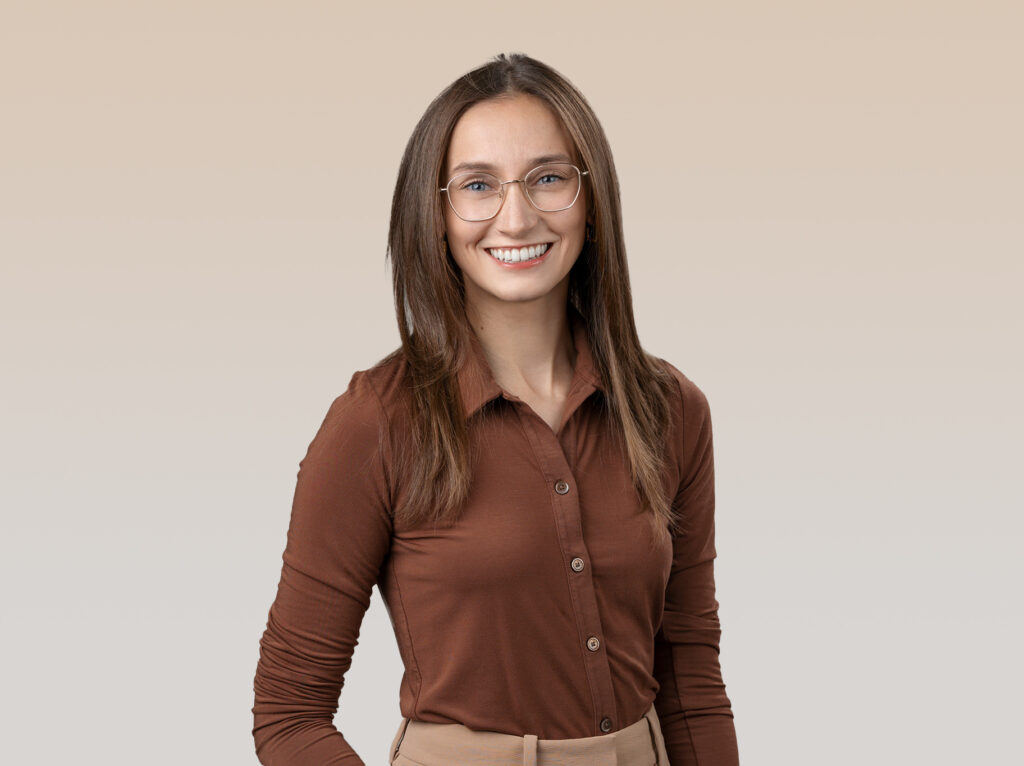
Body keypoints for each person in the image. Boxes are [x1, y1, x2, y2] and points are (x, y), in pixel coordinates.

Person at [252, 52, 739, 766]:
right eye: (478, 185)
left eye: (548, 178)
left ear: (590, 197)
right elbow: (289, 714)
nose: (517, 218)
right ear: (437, 213)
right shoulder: (376, 423)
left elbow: (689, 678)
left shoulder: (671, 411)